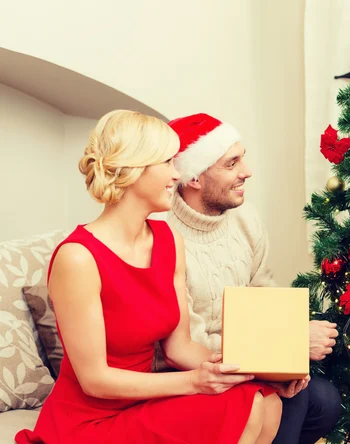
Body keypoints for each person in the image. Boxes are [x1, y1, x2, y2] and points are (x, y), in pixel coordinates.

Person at [16, 110, 281, 444]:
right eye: (168, 163)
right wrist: (194, 382)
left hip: (145, 400)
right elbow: (95, 380)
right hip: (90, 420)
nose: (177, 175)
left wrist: (261, 369)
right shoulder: (78, 257)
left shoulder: (168, 241)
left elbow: (181, 347)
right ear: (134, 170)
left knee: (265, 398)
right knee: (249, 407)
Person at [165, 112, 342, 444]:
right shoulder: (165, 238)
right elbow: (184, 346)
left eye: (242, 158)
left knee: (325, 401)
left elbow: (264, 295)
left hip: (244, 356)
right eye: (231, 164)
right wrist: (278, 350)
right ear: (194, 178)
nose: (247, 171)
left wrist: (280, 361)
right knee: (291, 401)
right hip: (192, 372)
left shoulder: (244, 217)